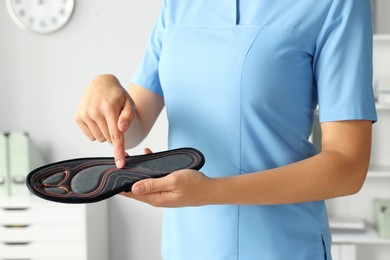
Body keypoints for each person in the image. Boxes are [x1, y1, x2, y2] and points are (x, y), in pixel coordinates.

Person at [75, 1, 377, 259]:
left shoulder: (337, 4)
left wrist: (210, 191)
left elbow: (348, 166)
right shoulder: (179, 5)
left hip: (279, 245)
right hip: (188, 244)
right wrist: (104, 88)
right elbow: (133, 124)